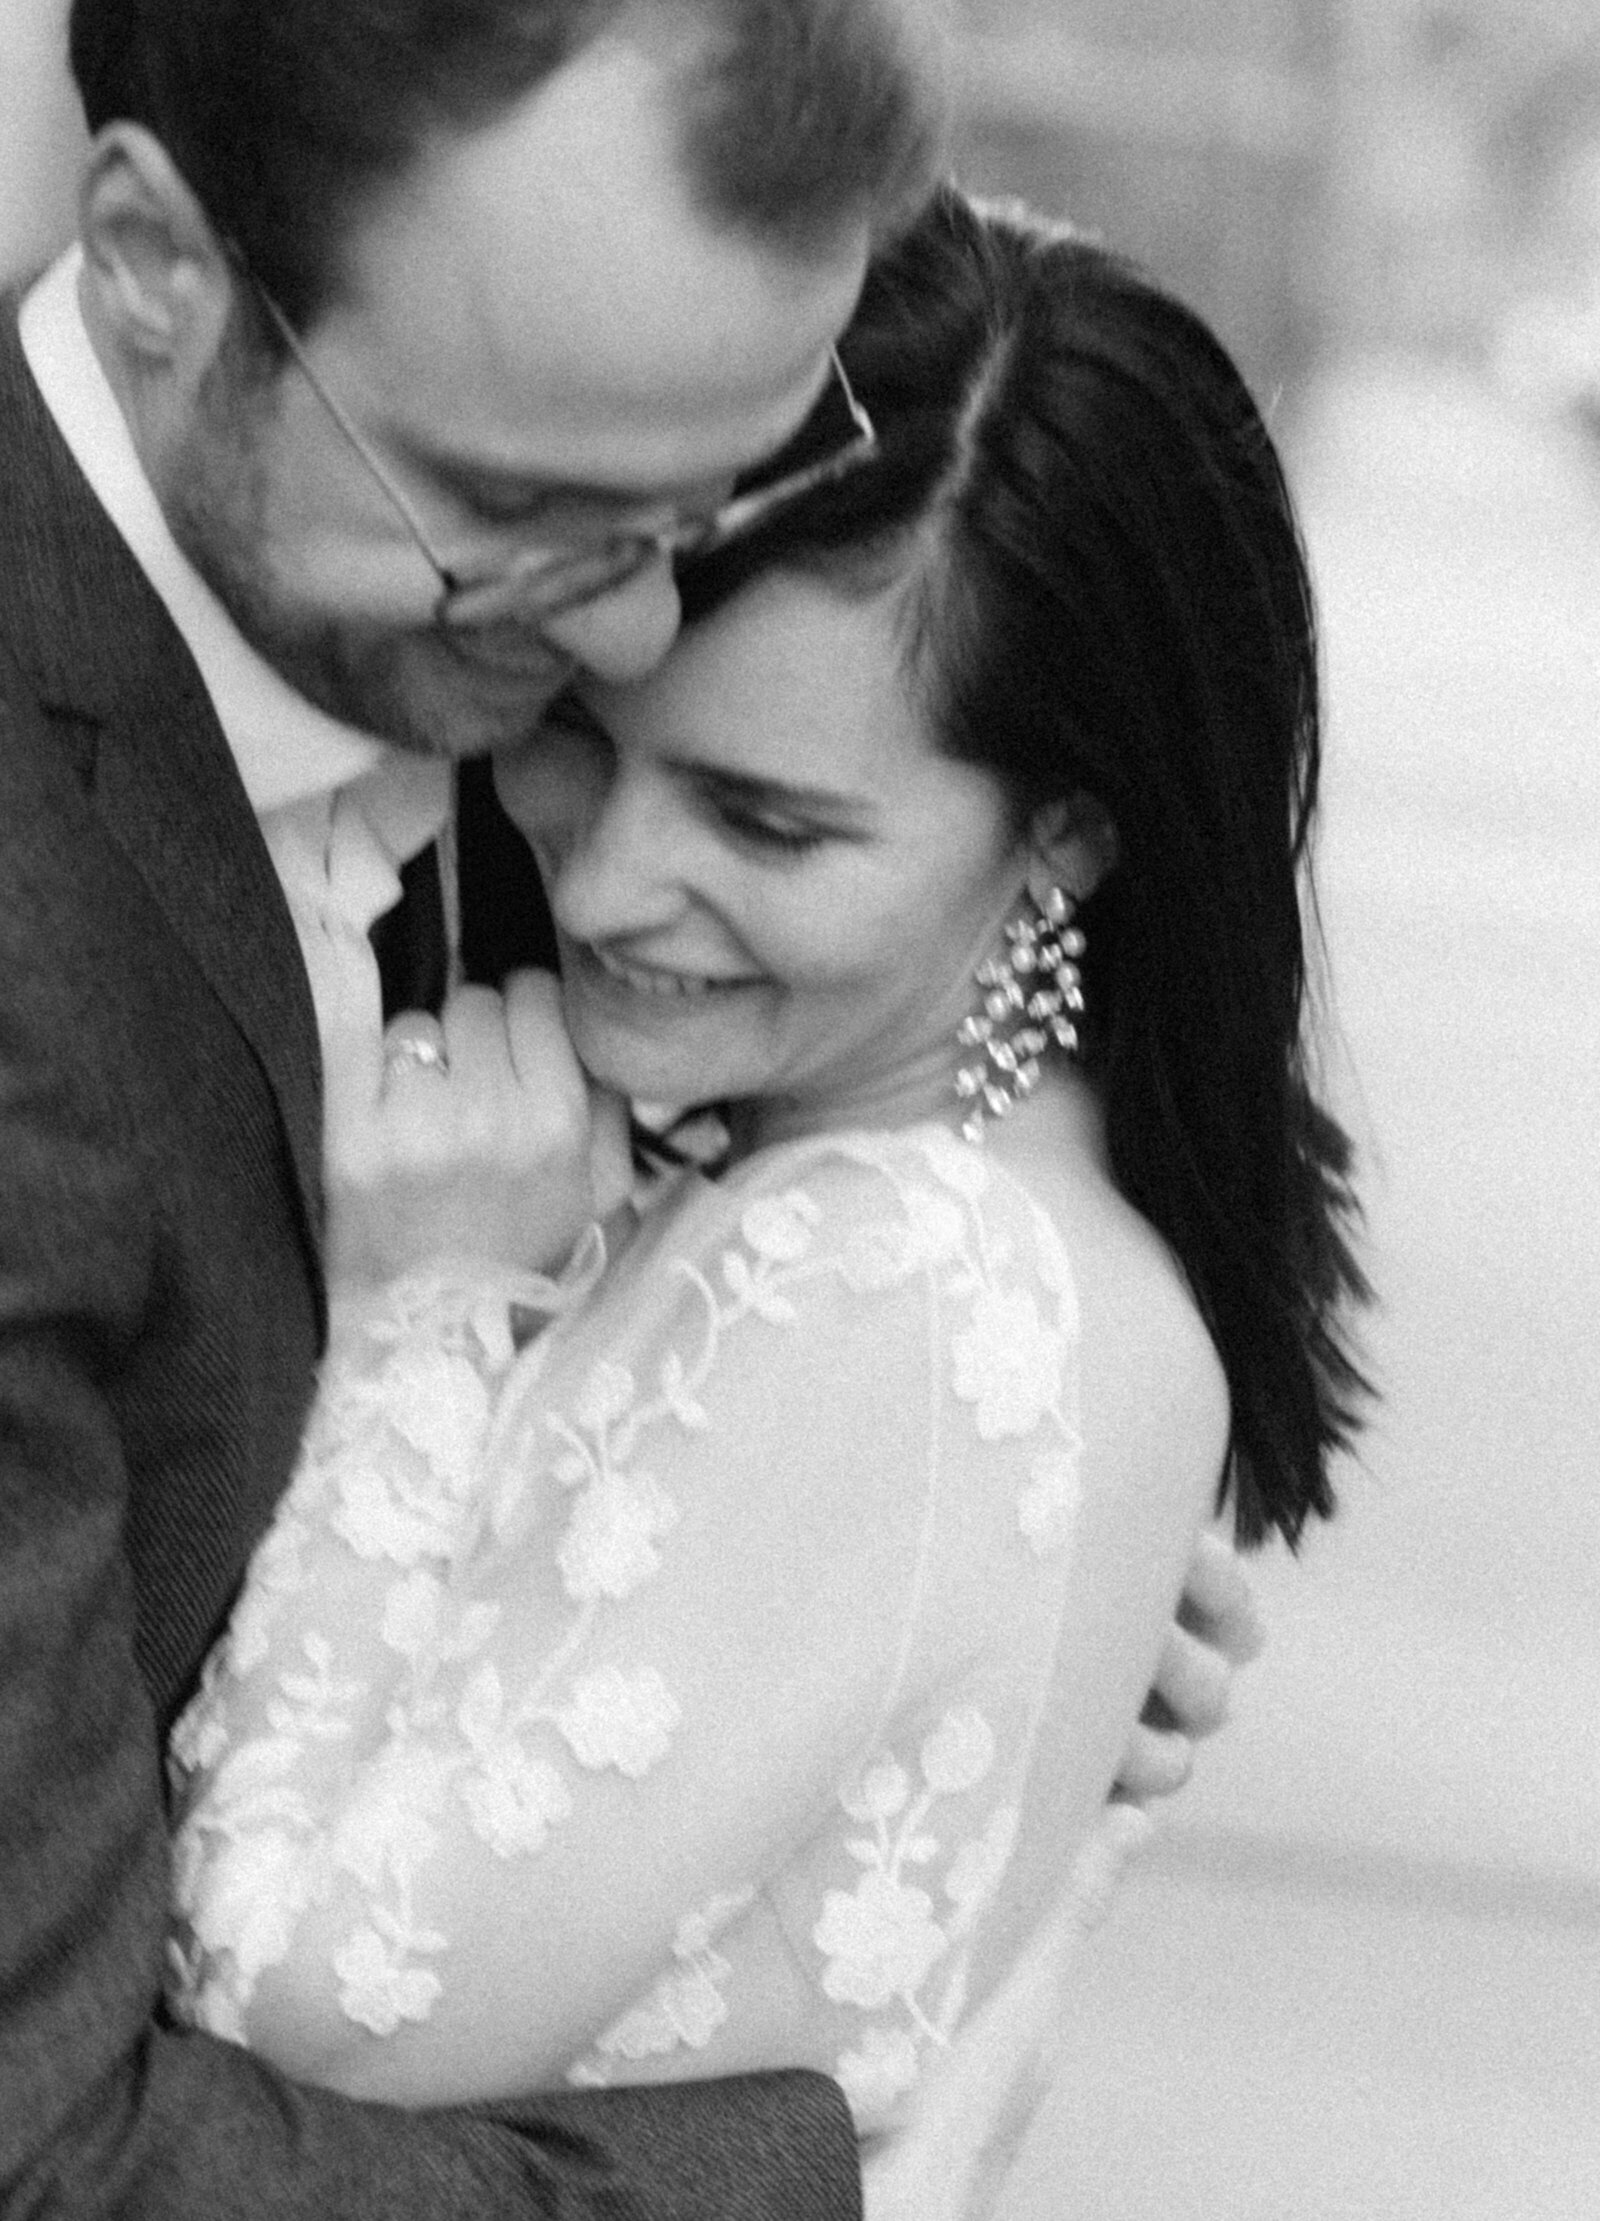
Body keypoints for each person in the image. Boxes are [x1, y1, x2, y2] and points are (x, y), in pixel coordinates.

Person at [160, 187, 1368, 2207]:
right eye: (586, 747)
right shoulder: (927, 1218)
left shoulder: (886, 1277)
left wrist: (419, 1318)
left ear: (1063, 834)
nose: (615, 881)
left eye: (763, 820)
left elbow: (294, 1998)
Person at [0, 0, 947, 2212]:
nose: (631, 644)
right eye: (522, 511)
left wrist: (903, 1533)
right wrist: (815, 2189)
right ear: (152, 268)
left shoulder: (498, 582)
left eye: (713, 503)